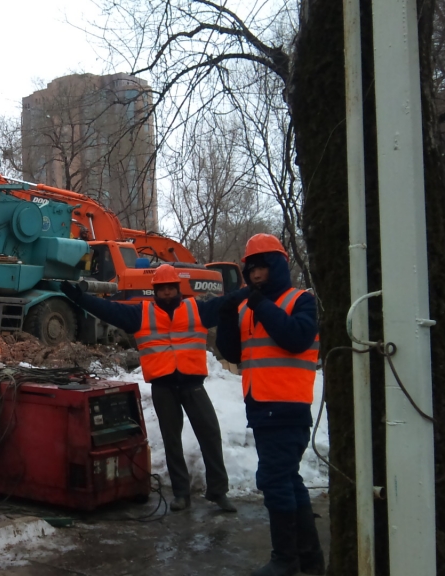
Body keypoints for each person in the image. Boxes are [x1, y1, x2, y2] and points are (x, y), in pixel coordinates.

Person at [61, 264, 238, 513]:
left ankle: (219, 492)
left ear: (178, 288)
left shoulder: (196, 309)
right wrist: (78, 296)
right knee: (171, 440)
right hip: (163, 386)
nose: (166, 293)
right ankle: (181, 494)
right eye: (162, 289)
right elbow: (108, 309)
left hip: (192, 383)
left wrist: (251, 291)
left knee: (210, 434)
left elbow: (227, 302)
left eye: (170, 288)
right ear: (155, 291)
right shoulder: (141, 314)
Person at [216, 233, 324, 576]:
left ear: (277, 267)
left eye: (263, 268)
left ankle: (285, 559)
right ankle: (308, 558)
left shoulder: (300, 301)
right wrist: (226, 315)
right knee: (288, 481)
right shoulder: (248, 307)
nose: (256, 275)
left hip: (288, 406)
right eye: (252, 269)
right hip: (262, 407)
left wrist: (259, 304)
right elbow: (234, 354)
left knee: (274, 481)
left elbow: (295, 337)